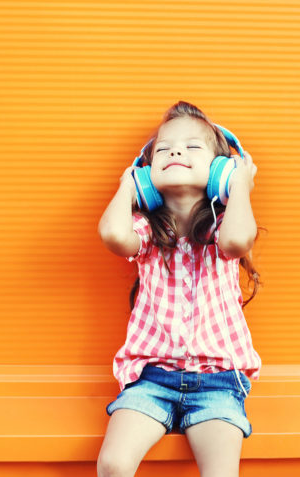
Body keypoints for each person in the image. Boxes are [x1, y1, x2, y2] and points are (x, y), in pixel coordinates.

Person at [96, 101, 262, 477]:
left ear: (219, 169)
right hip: (152, 379)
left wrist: (238, 185)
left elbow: (238, 241)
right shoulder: (148, 231)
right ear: (147, 173)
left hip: (218, 382)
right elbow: (112, 234)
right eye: (164, 149)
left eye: (192, 147)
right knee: (113, 463)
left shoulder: (222, 228)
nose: (175, 152)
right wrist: (129, 185)